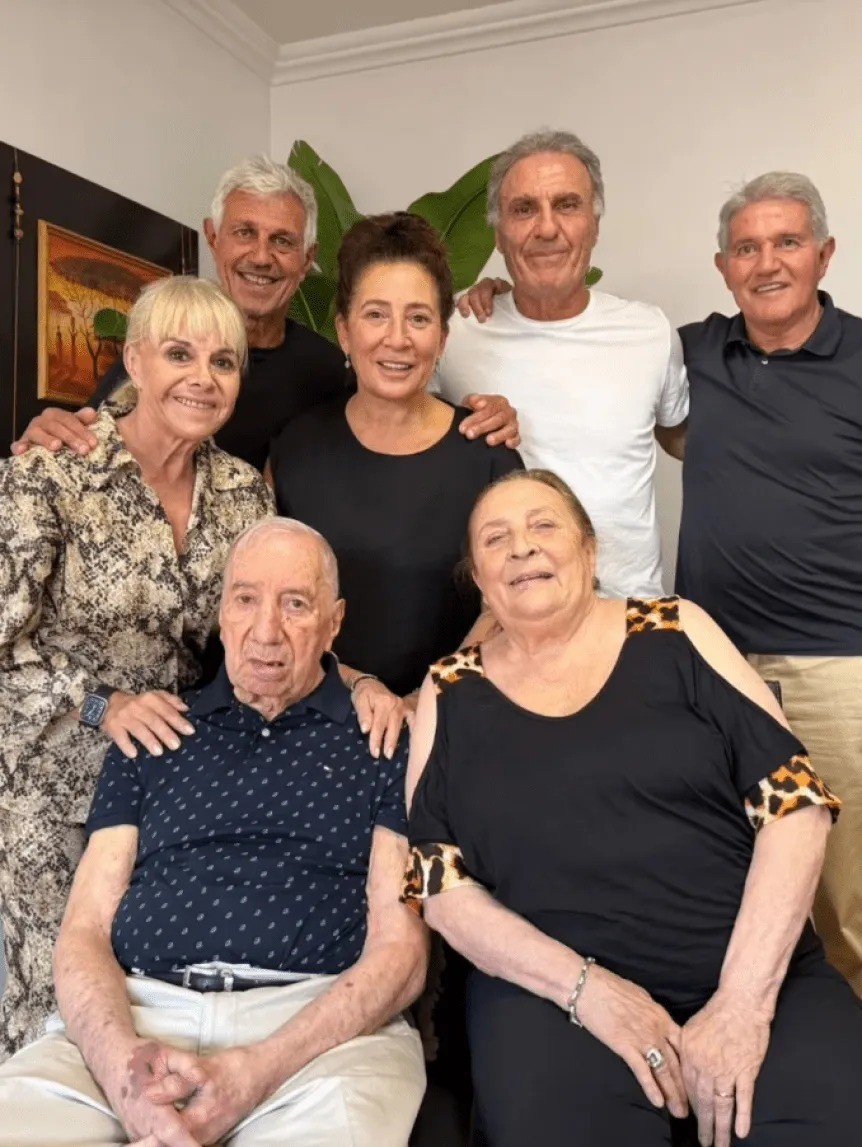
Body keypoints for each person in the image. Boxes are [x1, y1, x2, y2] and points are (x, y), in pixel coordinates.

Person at [403, 468, 862, 1147]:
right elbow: (440, 889)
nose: (522, 548)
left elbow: (795, 805)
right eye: (496, 539)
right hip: (552, 996)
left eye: (544, 526)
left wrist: (741, 1003)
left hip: (753, 970)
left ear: (589, 549)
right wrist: (588, 990)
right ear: (478, 576)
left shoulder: (675, 629)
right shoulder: (448, 688)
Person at [0, 518, 427, 1147]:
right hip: (139, 1013)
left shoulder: (384, 741)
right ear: (221, 612)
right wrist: (123, 1074)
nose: (265, 632)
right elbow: (84, 931)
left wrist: (254, 1072)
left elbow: (402, 953)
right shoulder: (151, 734)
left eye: (296, 605)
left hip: (317, 1035)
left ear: (335, 623)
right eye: (246, 599)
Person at [0, 276, 274, 1059]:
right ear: (134, 360)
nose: (203, 376)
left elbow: (242, 640)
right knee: (56, 1013)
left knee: (148, 1003)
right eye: (179, 353)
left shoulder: (243, 494)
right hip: (49, 786)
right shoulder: (51, 472)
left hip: (167, 789)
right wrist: (101, 703)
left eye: (224, 361)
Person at [11, 155, 520, 473]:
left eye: (282, 241)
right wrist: (52, 436)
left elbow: (396, 421)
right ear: (213, 238)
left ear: (306, 259)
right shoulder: (158, 349)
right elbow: (93, 438)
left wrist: (483, 415)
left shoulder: (329, 368)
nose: (261, 256)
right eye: (244, 233)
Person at [672, 172, 862, 997]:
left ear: (824, 254)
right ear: (723, 266)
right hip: (715, 669)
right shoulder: (691, 353)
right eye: (747, 247)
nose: (768, 262)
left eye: (787, 242)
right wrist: (492, 297)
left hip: (840, 671)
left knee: (848, 902)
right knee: (736, 890)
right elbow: (581, 357)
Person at [269, 212, 524, 709]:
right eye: (376, 314)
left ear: (442, 338)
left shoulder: (487, 458)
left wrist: (421, 701)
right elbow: (266, 598)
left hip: (452, 720)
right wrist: (356, 686)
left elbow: (509, 603)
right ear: (344, 331)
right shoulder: (296, 450)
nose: (398, 338)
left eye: (419, 317)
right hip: (319, 721)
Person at [437, 129, 689, 598]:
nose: (547, 228)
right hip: (504, 621)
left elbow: (682, 435)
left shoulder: (649, 333)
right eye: (524, 209)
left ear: (594, 223)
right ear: (499, 233)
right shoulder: (453, 330)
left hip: (630, 615)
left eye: (567, 205)